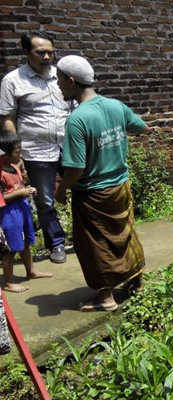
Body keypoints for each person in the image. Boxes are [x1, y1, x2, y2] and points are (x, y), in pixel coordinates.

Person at [54, 55, 148, 312]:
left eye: (59, 80)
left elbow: (76, 167)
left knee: (95, 245)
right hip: (120, 185)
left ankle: (106, 298)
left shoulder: (78, 119)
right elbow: (140, 126)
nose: (58, 85)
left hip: (93, 193)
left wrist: (61, 190)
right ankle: (136, 284)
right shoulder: (116, 106)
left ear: (71, 81)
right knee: (126, 233)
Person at [0, 31, 71, 264]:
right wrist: (12, 154)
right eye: (41, 53)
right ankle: (57, 243)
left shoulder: (62, 76)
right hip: (36, 151)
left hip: (69, 146)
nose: (48, 57)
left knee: (82, 190)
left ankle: (85, 237)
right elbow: (8, 118)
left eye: (50, 52)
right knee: (46, 200)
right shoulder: (13, 80)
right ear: (26, 52)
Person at [0, 131, 52, 293]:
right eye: (17, 152)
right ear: (5, 154)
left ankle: (31, 271)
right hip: (9, 214)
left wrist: (27, 189)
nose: (20, 155)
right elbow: (2, 198)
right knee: (11, 247)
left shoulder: (15, 167)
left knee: (26, 242)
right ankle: (9, 281)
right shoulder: (1, 173)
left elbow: (19, 186)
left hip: (22, 209)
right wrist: (19, 193)